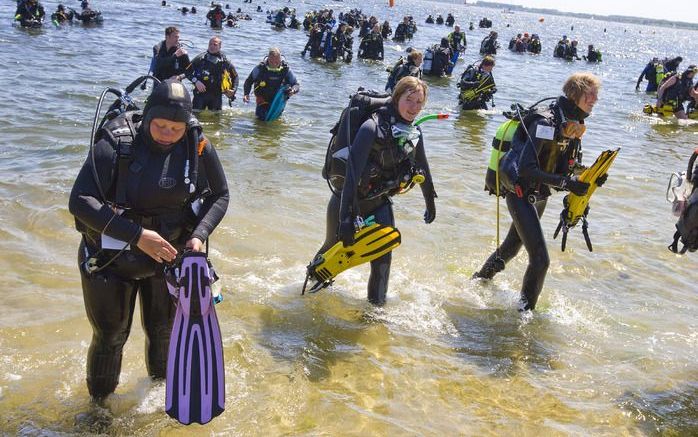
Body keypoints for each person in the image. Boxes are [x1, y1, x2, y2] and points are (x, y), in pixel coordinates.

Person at [68, 79, 230, 401]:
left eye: (176, 127)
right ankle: (98, 412)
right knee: (111, 336)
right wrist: (137, 236)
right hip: (111, 261)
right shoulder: (115, 141)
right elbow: (80, 200)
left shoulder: (197, 144)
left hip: (167, 259)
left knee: (163, 332)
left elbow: (220, 196)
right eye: (160, 125)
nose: (169, 134)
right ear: (148, 117)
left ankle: (157, 400)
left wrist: (198, 236)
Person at [474, 72, 603, 312]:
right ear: (575, 94)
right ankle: (525, 316)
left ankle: (479, 280)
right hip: (520, 191)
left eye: (597, 94)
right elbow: (526, 169)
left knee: (511, 247)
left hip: (539, 194)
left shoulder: (574, 124)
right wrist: (567, 183)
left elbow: (566, 168)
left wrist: (589, 177)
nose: (595, 99)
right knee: (541, 260)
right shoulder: (544, 122)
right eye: (591, 94)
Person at [316, 77, 437, 305]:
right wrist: (345, 219)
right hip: (347, 201)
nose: (414, 107)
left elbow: (422, 166)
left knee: (382, 263)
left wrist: (430, 200)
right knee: (330, 255)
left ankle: (374, 318)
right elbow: (351, 177)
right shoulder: (371, 127)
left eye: (419, 102)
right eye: (409, 100)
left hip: (380, 203)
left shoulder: (413, 131)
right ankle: (309, 298)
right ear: (396, 98)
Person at [243, 47, 300, 120]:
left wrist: (293, 90)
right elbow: (249, 81)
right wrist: (246, 94)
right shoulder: (260, 68)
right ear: (268, 58)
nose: (274, 64)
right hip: (262, 99)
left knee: (274, 120)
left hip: (278, 100)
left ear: (280, 59)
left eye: (276, 61)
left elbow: (296, 84)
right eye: (271, 61)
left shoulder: (286, 70)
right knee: (260, 121)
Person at [186, 36, 239, 111]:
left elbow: (235, 76)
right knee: (195, 117)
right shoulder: (200, 58)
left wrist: (233, 90)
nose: (212, 46)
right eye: (210, 44)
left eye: (215, 44)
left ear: (220, 46)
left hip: (216, 96)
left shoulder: (225, 62)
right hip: (200, 94)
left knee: (216, 119)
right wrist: (196, 81)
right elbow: (187, 71)